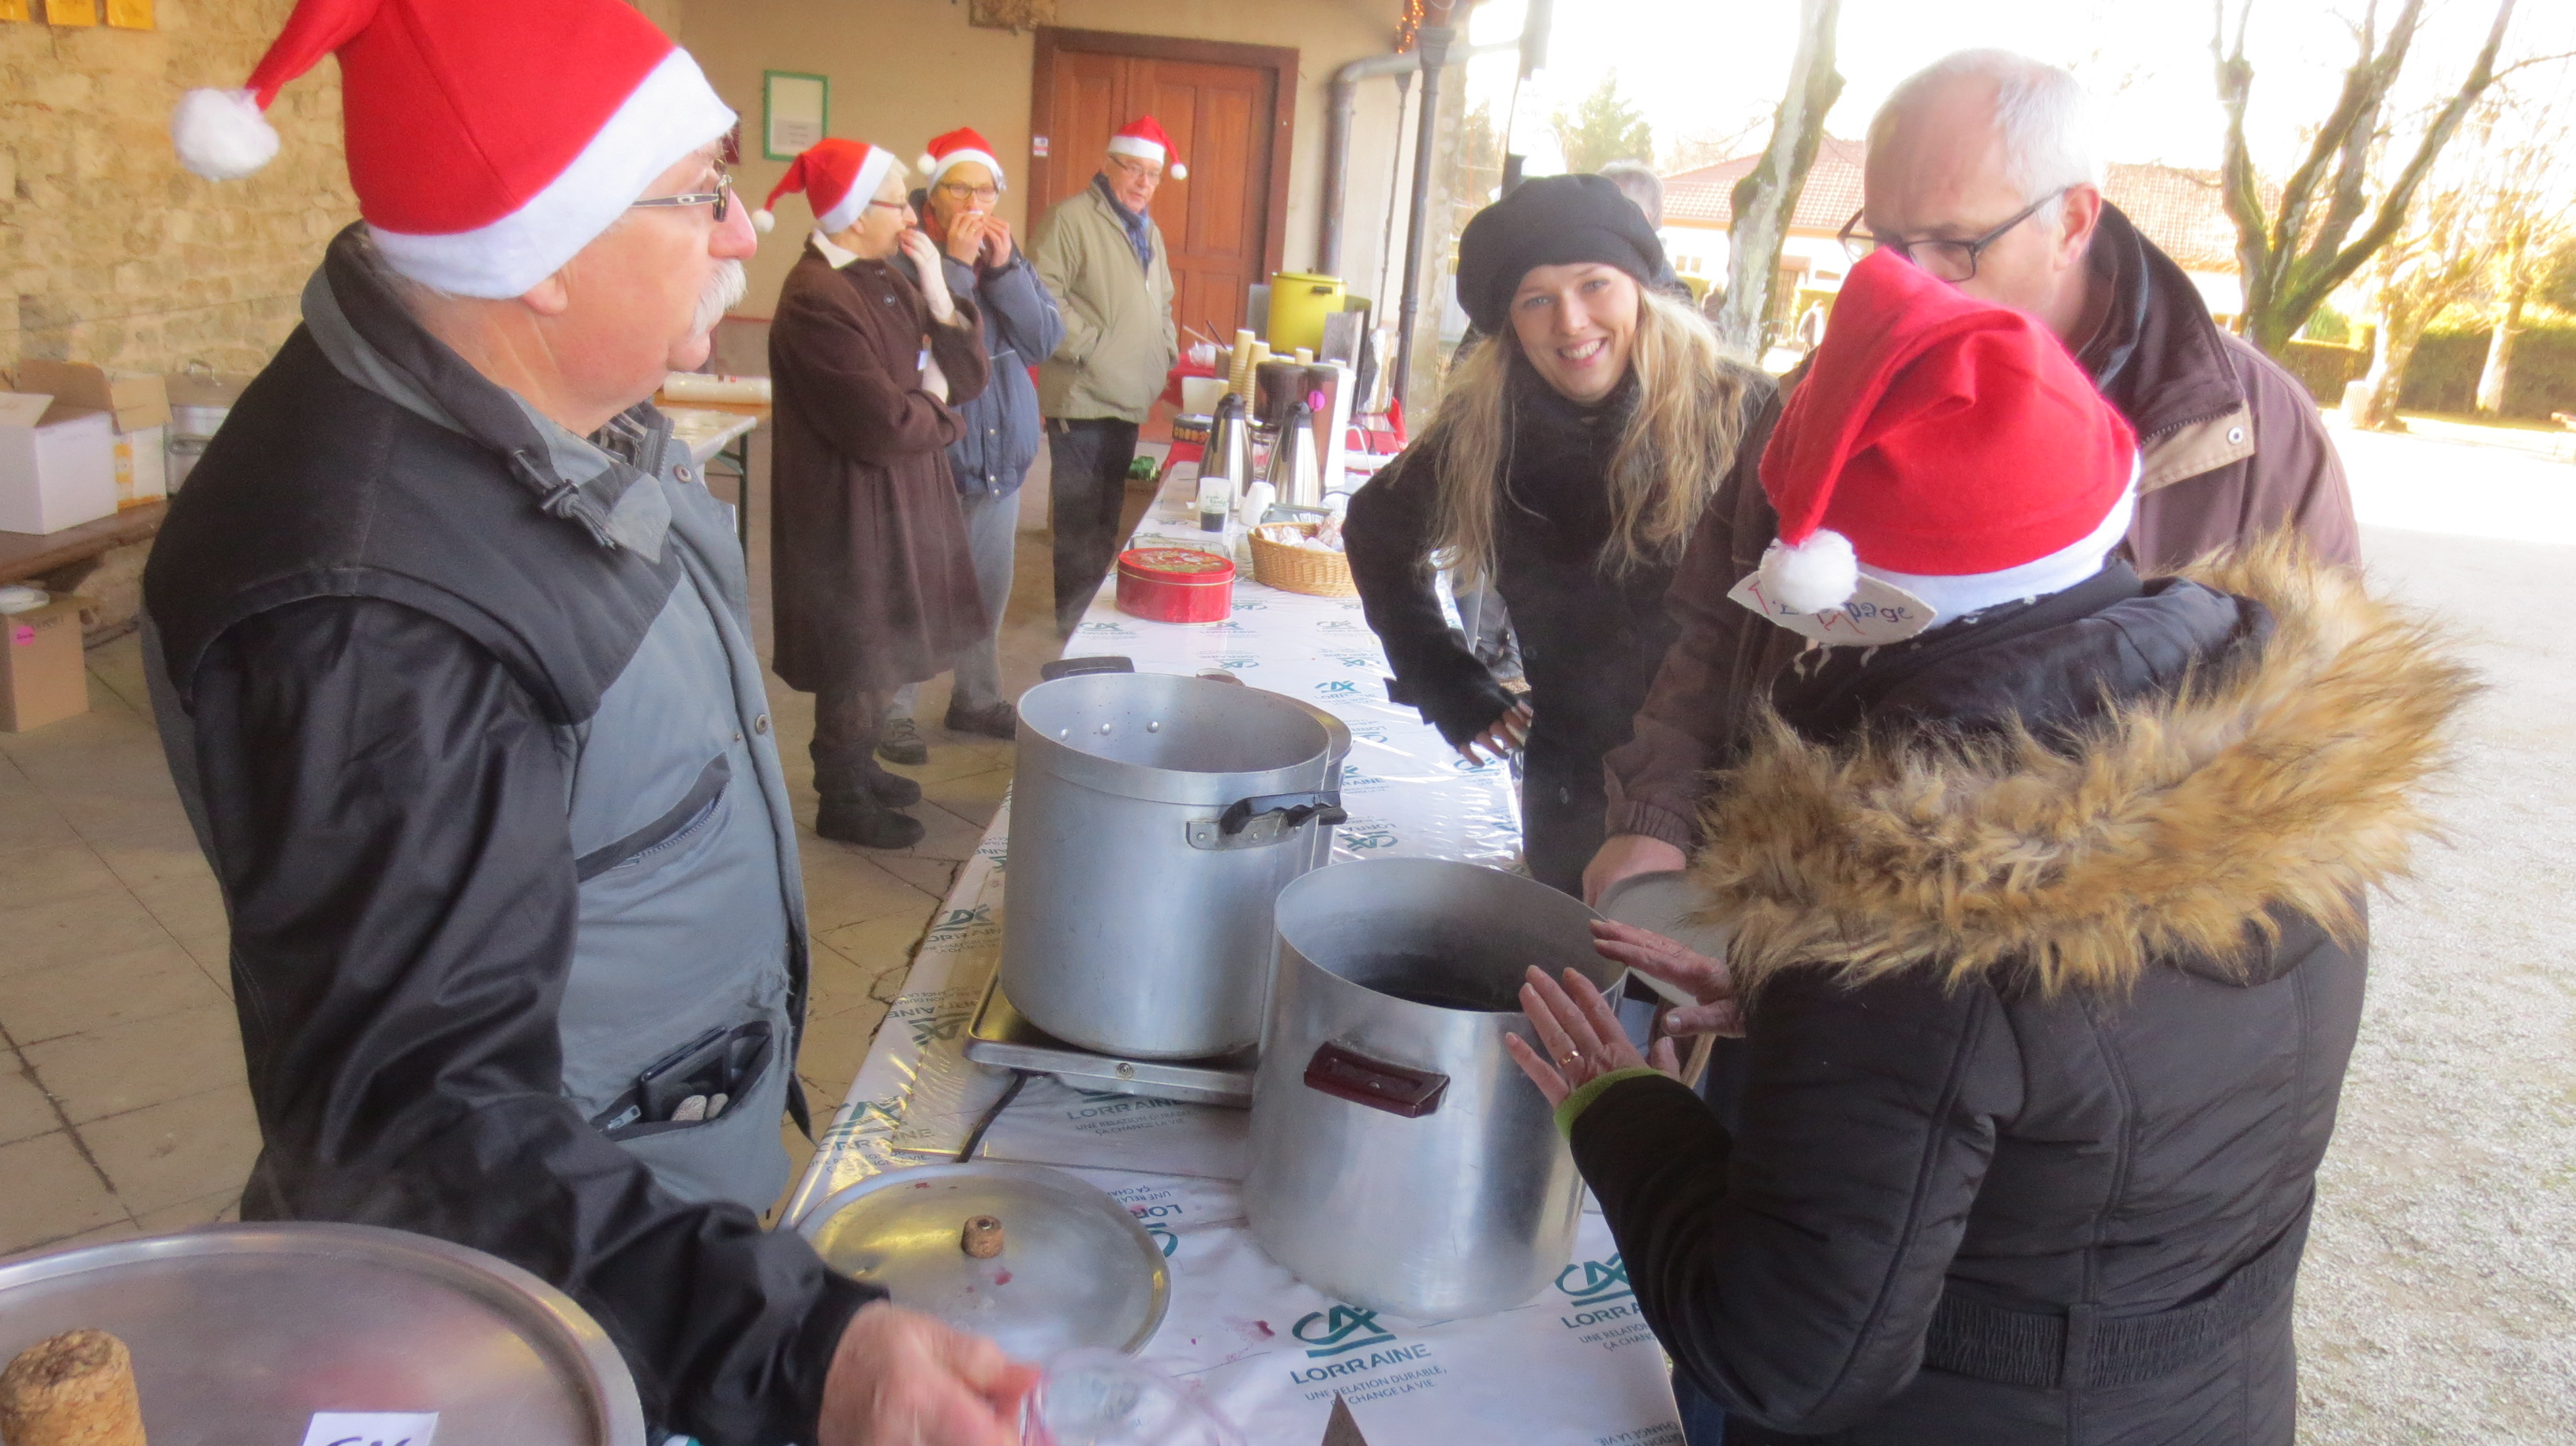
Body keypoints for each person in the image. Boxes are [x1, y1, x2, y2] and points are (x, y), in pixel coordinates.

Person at [144, 3, 1029, 1443]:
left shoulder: (535, 407)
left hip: (639, 1228)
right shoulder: (371, 607)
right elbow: (421, 1125)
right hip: (552, 1306)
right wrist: (799, 1348)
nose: (746, 230)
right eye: (699, 195)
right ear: (541, 253)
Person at [1512, 249, 2469, 1446]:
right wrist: (1792, 1005)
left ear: (1851, 600)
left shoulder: (1907, 908)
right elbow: (2099, 1077)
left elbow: (1788, 1355)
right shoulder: (2273, 757)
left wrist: (1621, 1108)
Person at [1588, 49, 2363, 905]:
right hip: (1795, 910)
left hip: (2079, 949)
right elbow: (1718, 624)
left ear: (2073, 221)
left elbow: (2314, 742)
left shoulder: (2249, 429)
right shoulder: (1831, 385)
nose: (1909, 280)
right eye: (1884, 241)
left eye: (1956, 245)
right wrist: (1657, 813)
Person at [1346, 174, 1773, 896]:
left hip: (1728, 795)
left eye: (1594, 284)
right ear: (1508, 322)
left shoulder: (1744, 412)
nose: (1571, 323)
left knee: (1689, 995)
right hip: (1570, 786)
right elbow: (1376, 529)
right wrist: (1447, 682)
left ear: (1641, 285)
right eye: (1536, 300)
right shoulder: (1488, 429)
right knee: (1574, 980)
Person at [758, 139, 994, 848]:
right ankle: (841, 791)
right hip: (848, 505)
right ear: (857, 214)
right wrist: (936, 407)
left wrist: (939, 292)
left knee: (885, 637)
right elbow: (881, 425)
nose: (912, 213)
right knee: (855, 640)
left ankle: (859, 767)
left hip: (896, 490)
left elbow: (968, 378)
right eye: (898, 200)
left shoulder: (881, 275)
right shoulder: (815, 298)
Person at [870, 127, 1065, 760]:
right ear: (934, 198)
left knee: (986, 588)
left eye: (987, 189)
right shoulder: (904, 257)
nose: (977, 202)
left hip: (999, 459)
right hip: (929, 458)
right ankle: (891, 710)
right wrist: (953, 267)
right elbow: (921, 337)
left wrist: (1005, 270)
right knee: (915, 588)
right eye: (964, 188)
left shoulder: (1008, 259)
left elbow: (1042, 342)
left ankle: (975, 699)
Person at [1031, 115, 1183, 635]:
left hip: (1126, 394)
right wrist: (1095, 347)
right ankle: (1072, 625)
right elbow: (1040, 298)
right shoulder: (1070, 220)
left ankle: (1092, 616)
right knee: (1078, 519)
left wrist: (1164, 349)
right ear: (1106, 164)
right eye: (1133, 169)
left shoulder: (1150, 232)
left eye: (1153, 174)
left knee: (1106, 517)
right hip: (1083, 393)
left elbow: (1161, 301)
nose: (1143, 183)